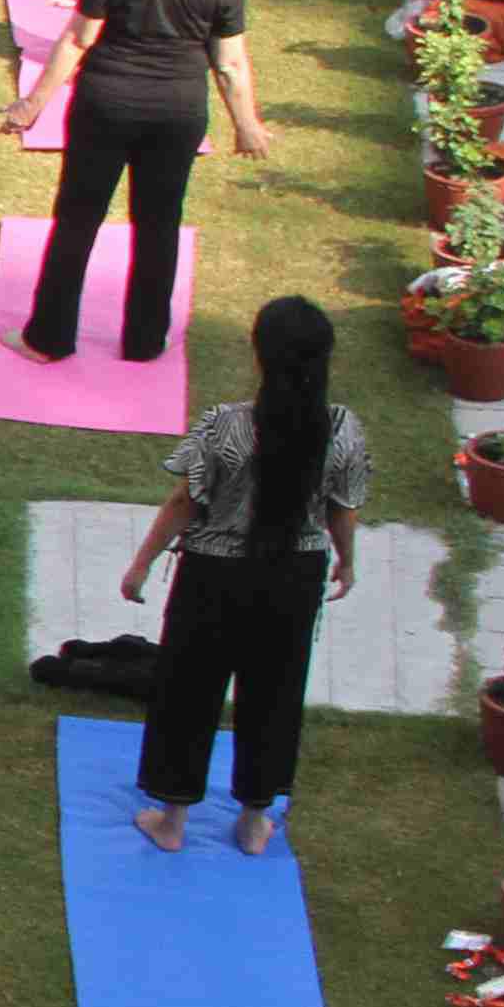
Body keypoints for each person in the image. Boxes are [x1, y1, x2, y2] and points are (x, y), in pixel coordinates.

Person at [120, 295, 363, 854]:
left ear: (261, 356)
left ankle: (172, 820)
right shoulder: (342, 429)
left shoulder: (225, 425)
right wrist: (347, 560)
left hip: (214, 578)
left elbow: (184, 501)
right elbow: (343, 508)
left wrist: (143, 562)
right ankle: (254, 821)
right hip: (294, 578)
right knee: (276, 693)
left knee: (189, 689)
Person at [12, 0, 265, 368]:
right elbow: (230, 64)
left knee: (78, 219)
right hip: (177, 114)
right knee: (159, 224)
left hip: (105, 105)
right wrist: (247, 126)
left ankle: (47, 339)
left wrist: (33, 103)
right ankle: (146, 341)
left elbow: (78, 40)